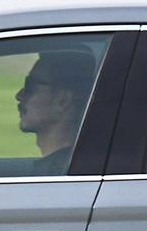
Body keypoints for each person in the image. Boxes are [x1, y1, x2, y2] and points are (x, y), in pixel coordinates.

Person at [16, 45, 98, 174]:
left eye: (30, 86)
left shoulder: (58, 174)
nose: (19, 96)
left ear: (62, 101)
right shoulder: (75, 166)